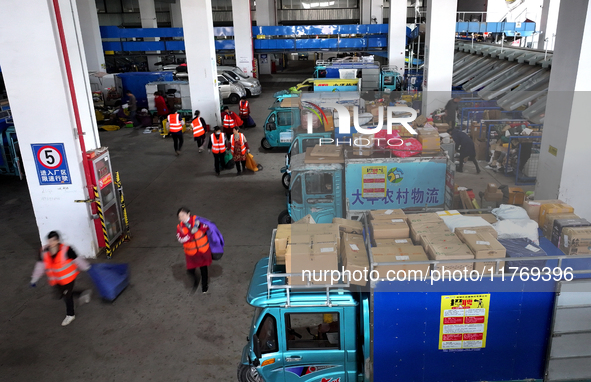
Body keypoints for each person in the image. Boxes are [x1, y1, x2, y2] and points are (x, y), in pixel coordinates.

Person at [30, 231, 92, 326]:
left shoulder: (66, 250)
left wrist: (87, 267)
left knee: (67, 296)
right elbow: (40, 266)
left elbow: (78, 260)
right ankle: (83, 293)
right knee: (60, 295)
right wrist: (34, 278)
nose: (51, 243)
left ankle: (70, 315)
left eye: (54, 241)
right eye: (50, 241)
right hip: (56, 280)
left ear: (58, 241)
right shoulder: (44, 252)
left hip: (68, 278)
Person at [176, 207, 211, 294]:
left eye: (183, 215)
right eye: (180, 217)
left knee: (204, 269)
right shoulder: (180, 227)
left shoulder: (198, 220)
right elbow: (180, 239)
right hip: (191, 253)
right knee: (190, 270)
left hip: (202, 251)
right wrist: (189, 235)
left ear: (188, 214)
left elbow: (208, 227)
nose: (181, 218)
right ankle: (196, 279)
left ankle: (204, 286)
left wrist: (199, 226)